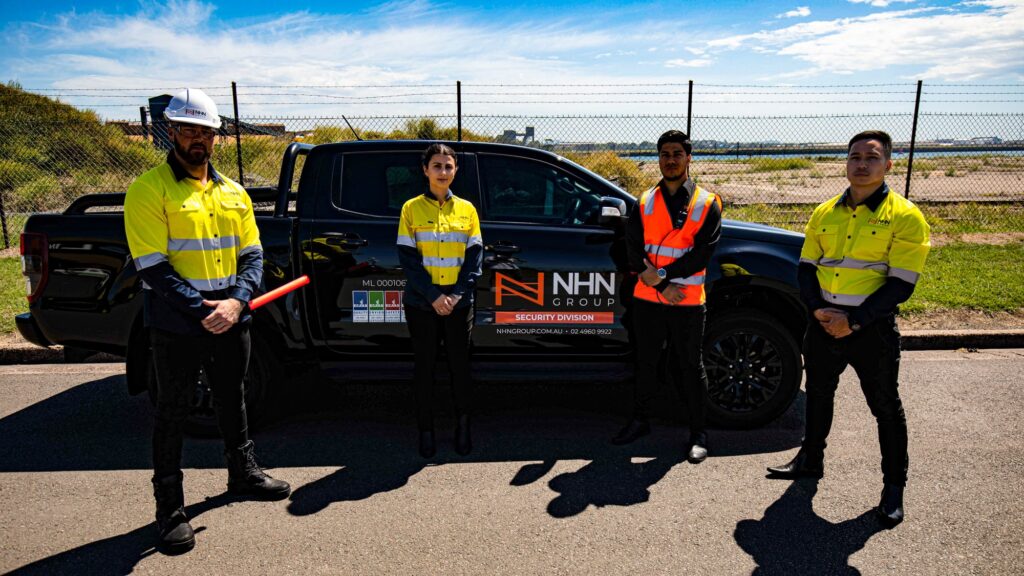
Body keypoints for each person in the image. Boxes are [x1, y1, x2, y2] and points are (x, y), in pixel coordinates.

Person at [125, 88, 290, 554]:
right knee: (173, 409)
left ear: (216, 137)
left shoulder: (232, 192)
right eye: (189, 129)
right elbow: (153, 267)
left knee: (231, 396)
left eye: (207, 131)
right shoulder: (148, 189)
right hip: (178, 323)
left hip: (231, 316)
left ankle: (242, 474)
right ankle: (170, 509)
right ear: (172, 132)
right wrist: (205, 311)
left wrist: (236, 302)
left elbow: (252, 254)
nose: (198, 139)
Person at [767, 130, 930, 528]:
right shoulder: (825, 212)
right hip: (823, 323)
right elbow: (806, 267)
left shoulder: (906, 215)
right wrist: (819, 310)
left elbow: (901, 283)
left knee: (886, 409)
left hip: (870, 329)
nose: (861, 164)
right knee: (819, 395)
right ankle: (810, 460)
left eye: (871, 158)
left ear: (888, 165)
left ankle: (894, 489)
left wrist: (853, 321)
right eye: (854, 156)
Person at [612, 130, 722, 463]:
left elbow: (703, 253)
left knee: (690, 366)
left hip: (687, 301)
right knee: (646, 362)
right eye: (664, 154)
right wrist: (660, 285)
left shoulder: (707, 202)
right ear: (658, 158)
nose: (670, 160)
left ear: (689, 158)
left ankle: (698, 434)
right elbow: (633, 249)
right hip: (649, 300)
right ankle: (640, 420)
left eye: (676, 154)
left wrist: (662, 276)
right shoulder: (644, 201)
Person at [397, 143, 483, 458]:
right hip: (423, 305)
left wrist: (456, 294)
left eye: (448, 166)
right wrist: (434, 296)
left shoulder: (467, 210)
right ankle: (426, 431)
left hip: (459, 304)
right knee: (425, 369)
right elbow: (407, 260)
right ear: (425, 170)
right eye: (437, 166)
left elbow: (475, 259)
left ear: (455, 170)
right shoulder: (411, 209)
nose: (443, 172)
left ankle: (463, 427)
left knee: (460, 368)